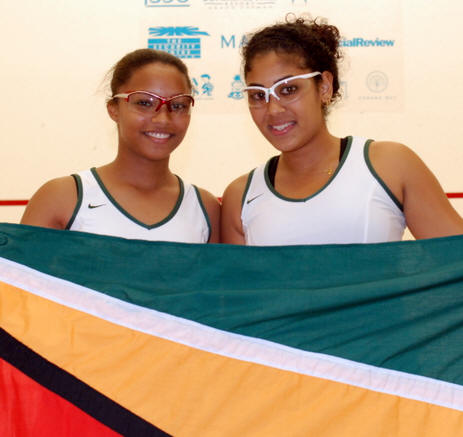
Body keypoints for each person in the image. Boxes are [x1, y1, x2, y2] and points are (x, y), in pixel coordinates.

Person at [221, 16, 463, 245]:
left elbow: (454, 259)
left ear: (324, 86)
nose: (273, 109)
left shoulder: (390, 165)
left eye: (288, 90)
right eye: (257, 95)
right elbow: (238, 278)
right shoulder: (240, 197)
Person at [21, 49, 220, 243]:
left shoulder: (206, 209)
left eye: (178, 105)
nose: (162, 119)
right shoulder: (61, 198)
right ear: (113, 109)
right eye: (144, 103)